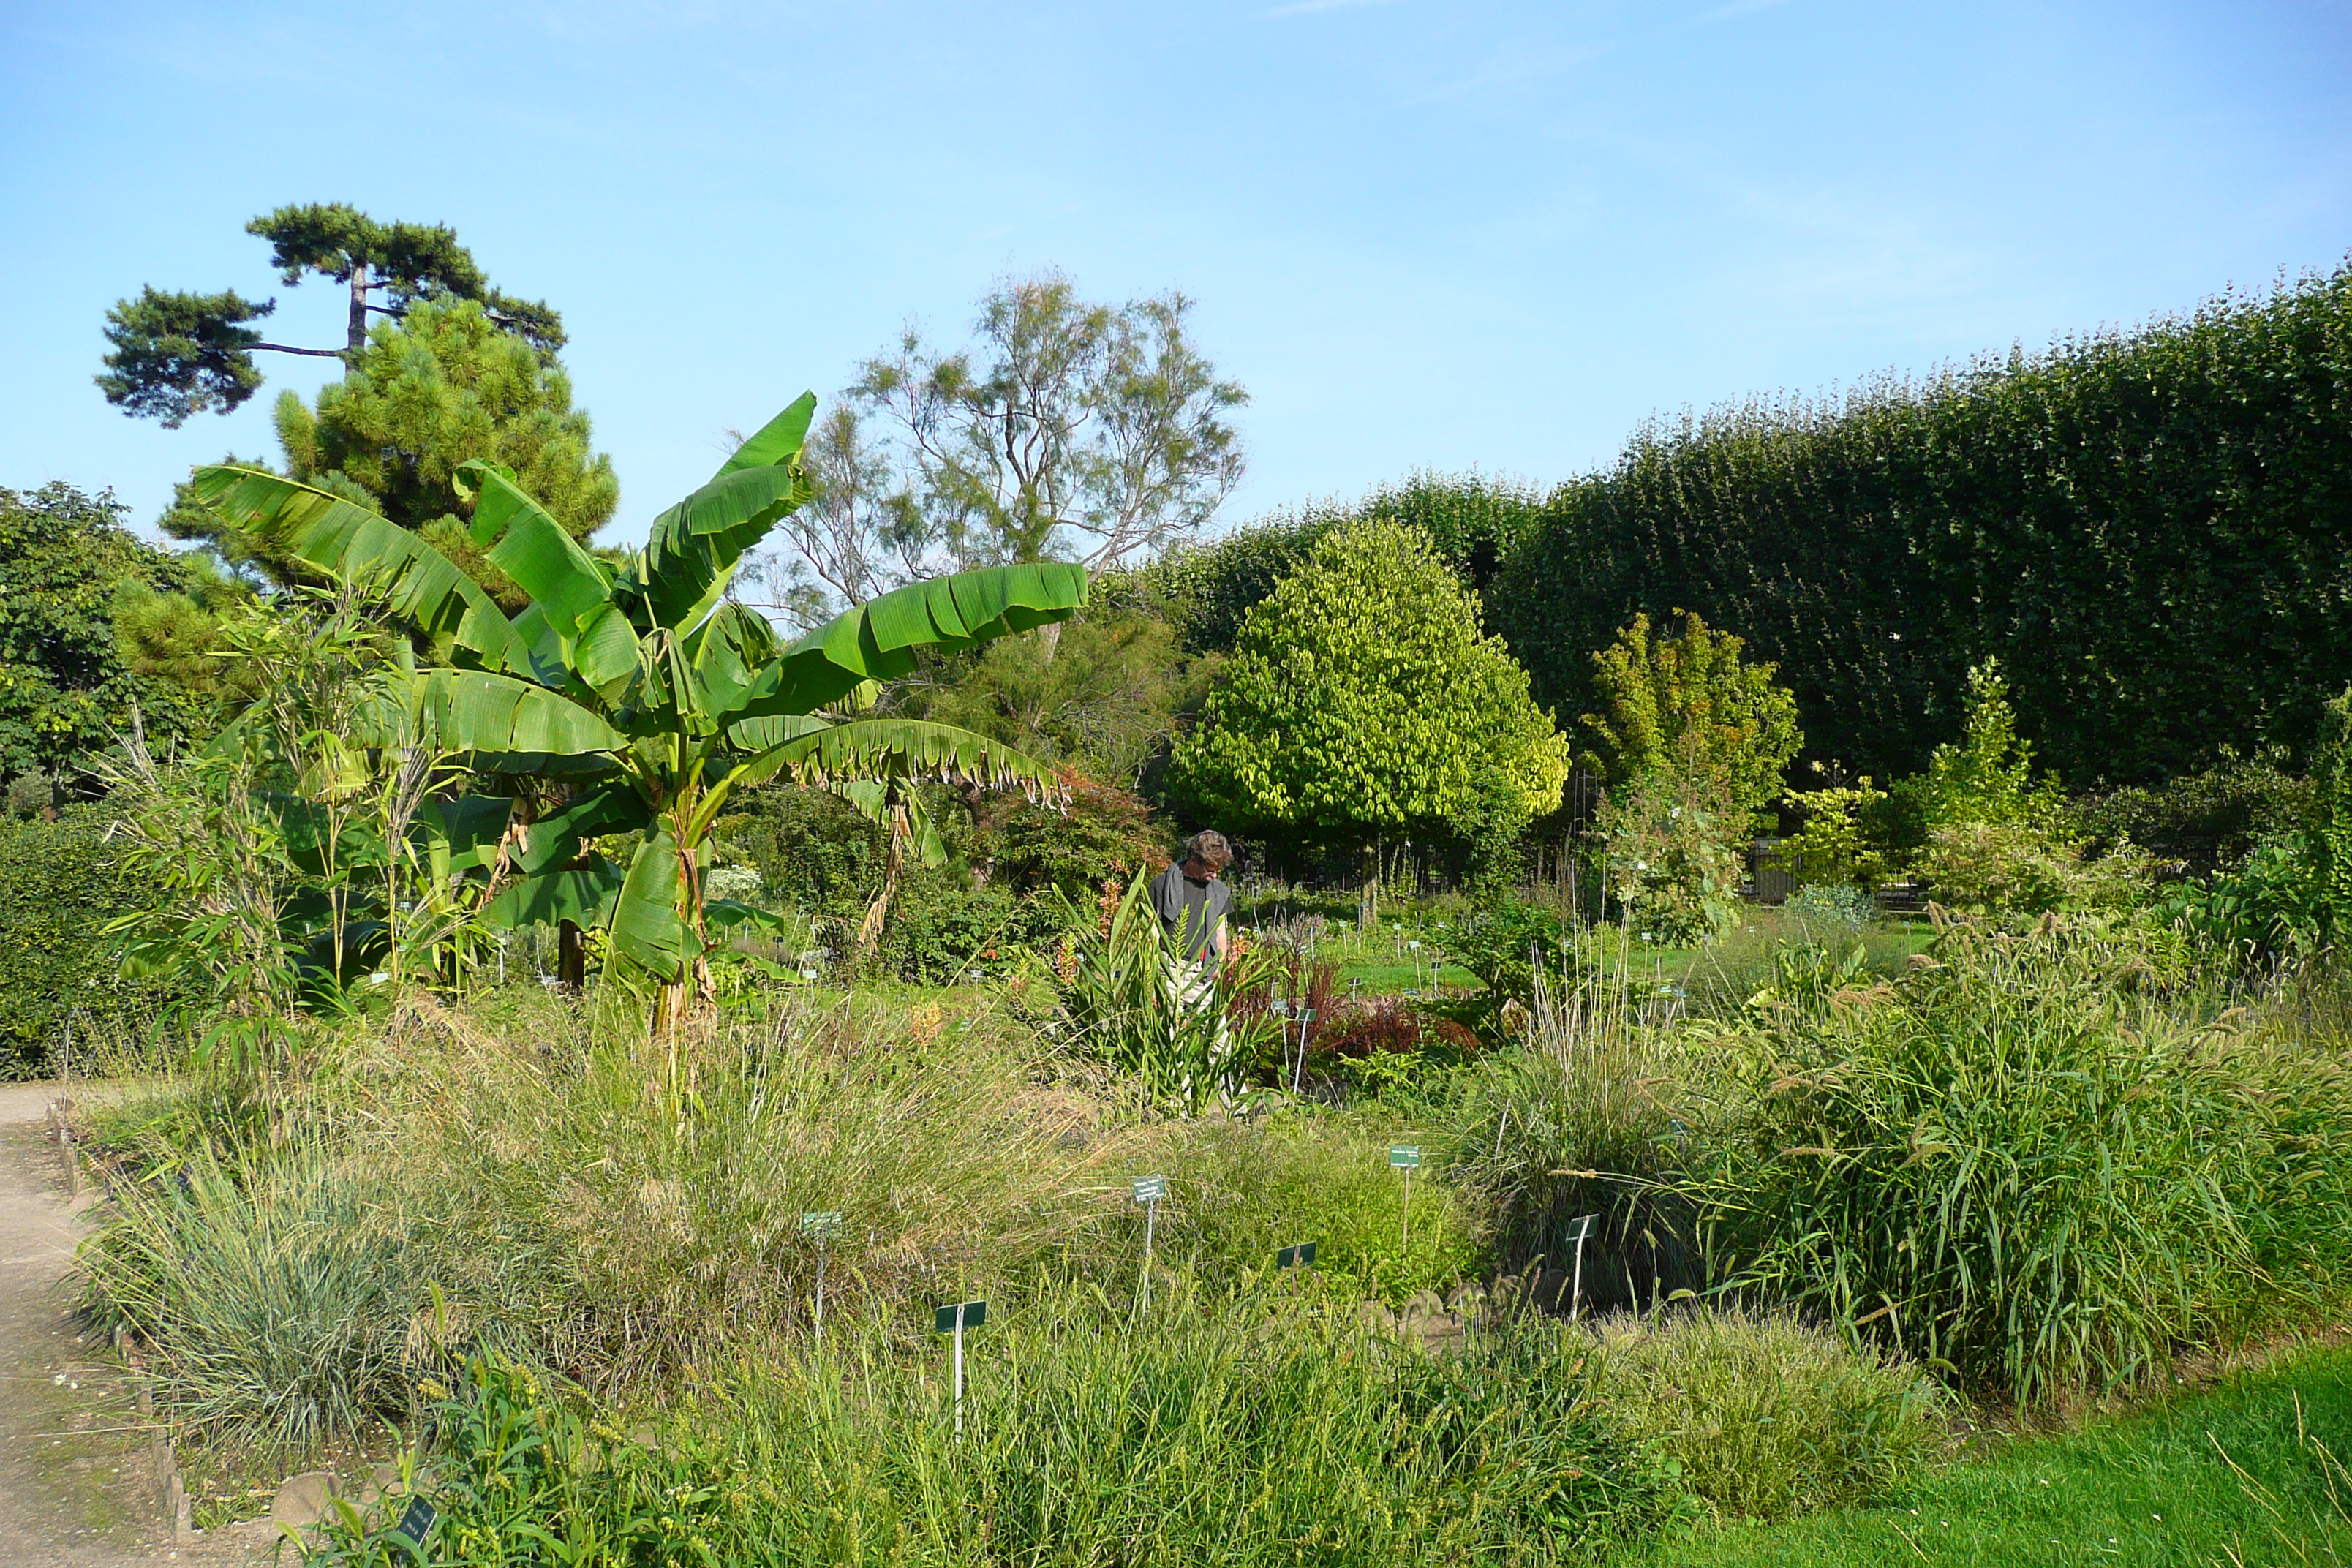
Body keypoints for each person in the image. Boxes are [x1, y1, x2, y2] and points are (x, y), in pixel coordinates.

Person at [1150, 830, 1235, 967]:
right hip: (1166, 966)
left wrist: (1219, 964)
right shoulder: (1162, 885)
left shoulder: (1219, 892)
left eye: (1217, 871)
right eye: (1210, 870)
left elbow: (1220, 931)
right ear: (1194, 861)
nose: (1215, 876)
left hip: (1202, 969)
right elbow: (1153, 929)